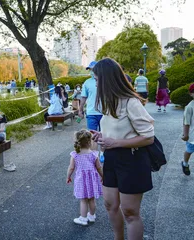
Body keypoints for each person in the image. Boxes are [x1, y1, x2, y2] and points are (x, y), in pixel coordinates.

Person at [91, 58, 155, 240]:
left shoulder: (131, 102)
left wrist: (115, 143)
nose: (95, 84)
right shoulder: (108, 102)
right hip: (111, 159)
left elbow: (149, 137)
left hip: (132, 161)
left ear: (106, 80)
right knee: (110, 205)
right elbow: (117, 132)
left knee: (130, 212)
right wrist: (102, 137)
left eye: (97, 80)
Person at [67, 129, 103, 226]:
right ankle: (91, 216)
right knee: (91, 199)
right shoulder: (93, 154)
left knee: (83, 200)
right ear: (89, 142)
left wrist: (68, 176)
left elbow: (71, 168)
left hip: (81, 180)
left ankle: (83, 218)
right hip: (92, 180)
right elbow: (99, 167)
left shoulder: (75, 155)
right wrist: (102, 176)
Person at [79, 61, 103, 131]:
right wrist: (80, 110)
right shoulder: (87, 82)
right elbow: (83, 97)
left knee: (104, 135)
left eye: (93, 69)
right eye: (90, 69)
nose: (91, 71)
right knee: (92, 135)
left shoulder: (104, 81)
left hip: (103, 112)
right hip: (91, 112)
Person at [181, 83, 194, 176]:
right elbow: (186, 122)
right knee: (189, 151)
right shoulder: (190, 107)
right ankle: (185, 163)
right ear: (191, 94)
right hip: (193, 137)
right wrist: (186, 135)